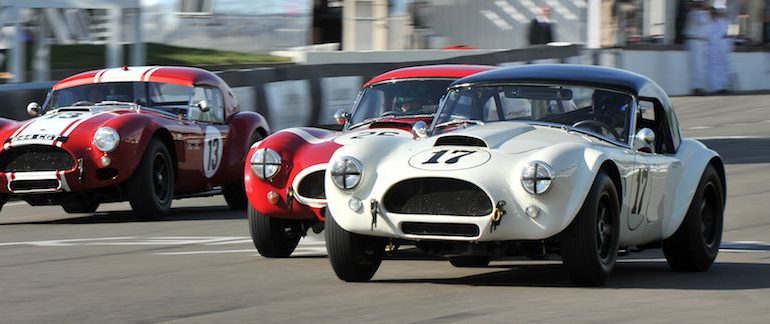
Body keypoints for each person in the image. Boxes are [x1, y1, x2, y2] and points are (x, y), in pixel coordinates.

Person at [684, 1, 710, 96]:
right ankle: (697, 87)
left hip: (701, 42)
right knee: (696, 66)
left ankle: (700, 86)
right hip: (694, 41)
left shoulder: (702, 14)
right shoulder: (694, 14)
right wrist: (698, 8)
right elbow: (700, 20)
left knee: (701, 66)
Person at [707, 1, 732, 94]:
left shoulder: (725, 21)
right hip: (713, 45)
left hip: (722, 44)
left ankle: (723, 86)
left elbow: (729, 34)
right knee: (714, 66)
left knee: (723, 66)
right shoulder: (709, 22)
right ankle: (715, 87)